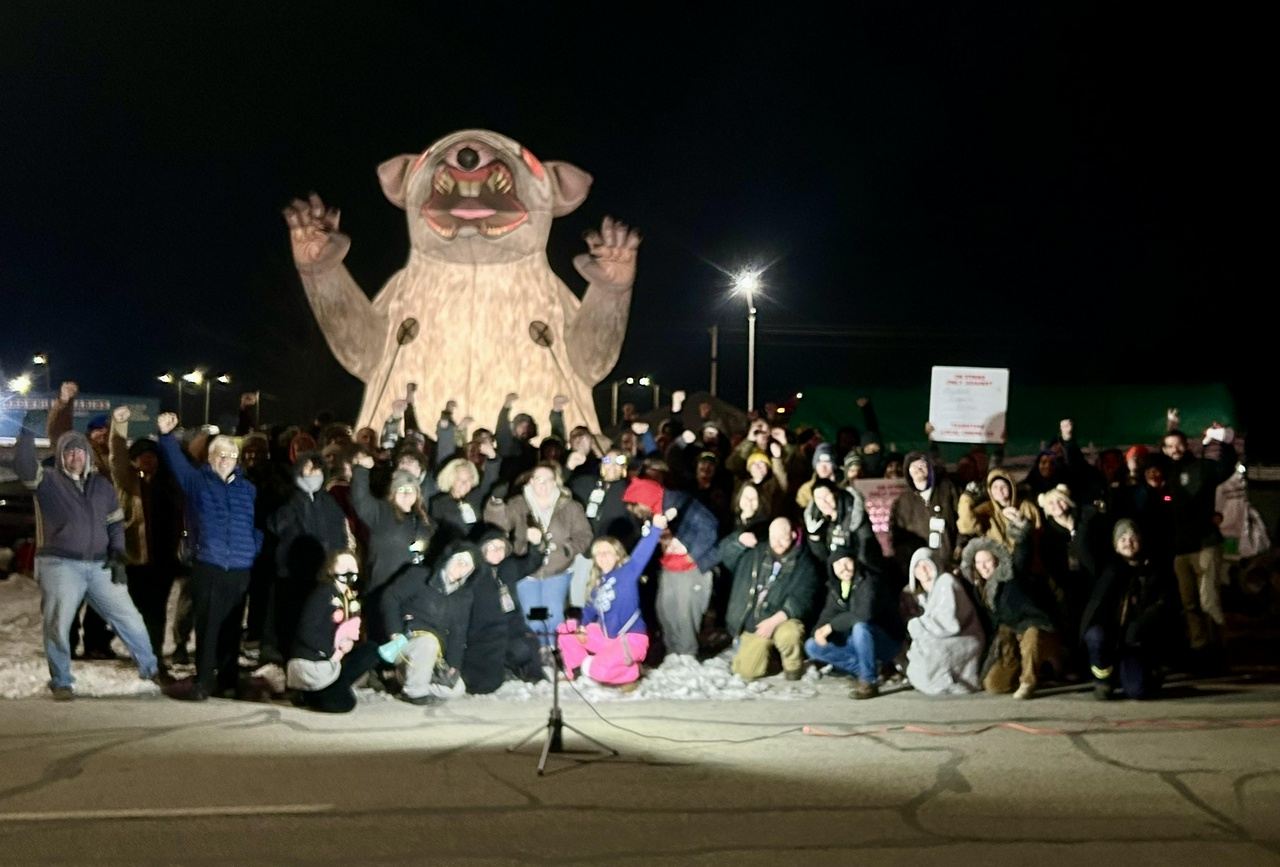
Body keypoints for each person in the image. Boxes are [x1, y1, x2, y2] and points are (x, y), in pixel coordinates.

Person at [15, 417, 161, 700]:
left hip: (100, 565)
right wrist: (25, 436)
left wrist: (117, 553)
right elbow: (23, 465)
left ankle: (151, 668)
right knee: (57, 624)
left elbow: (116, 523)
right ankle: (61, 681)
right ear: (61, 456)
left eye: (80, 451)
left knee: (130, 618)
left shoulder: (102, 487)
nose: (75, 456)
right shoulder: (47, 481)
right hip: (60, 565)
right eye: (69, 451)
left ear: (88, 455)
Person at [156, 412, 262, 700]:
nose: (226, 459)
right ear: (210, 458)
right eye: (220, 454)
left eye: (231, 454)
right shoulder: (197, 482)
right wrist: (167, 437)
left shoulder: (247, 489)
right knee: (209, 625)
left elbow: (254, 524)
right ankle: (203, 680)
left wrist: (253, 547)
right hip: (210, 565)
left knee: (232, 628)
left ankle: (228, 679)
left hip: (239, 567)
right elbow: (176, 464)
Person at [107, 406, 185, 669]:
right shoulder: (127, 482)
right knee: (137, 611)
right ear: (134, 460)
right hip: (135, 559)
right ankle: (143, 652)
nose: (148, 460)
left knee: (158, 611)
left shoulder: (169, 484)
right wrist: (119, 427)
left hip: (163, 560)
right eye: (142, 456)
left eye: (152, 456)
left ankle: (154, 654)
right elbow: (116, 457)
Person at [558, 509, 671, 688]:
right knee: (566, 628)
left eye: (607, 552)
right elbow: (588, 612)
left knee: (597, 671)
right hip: (607, 639)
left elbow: (641, 554)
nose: (602, 557)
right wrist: (581, 628)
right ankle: (577, 670)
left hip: (631, 640)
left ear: (617, 554)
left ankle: (631, 672)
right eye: (598, 554)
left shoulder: (627, 573)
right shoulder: (597, 585)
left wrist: (655, 529)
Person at [484, 462, 592, 636]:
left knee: (554, 614)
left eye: (548, 480)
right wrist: (496, 502)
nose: (543, 484)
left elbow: (584, 535)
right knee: (533, 617)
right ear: (531, 482)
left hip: (558, 571)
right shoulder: (518, 504)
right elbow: (498, 522)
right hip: (527, 570)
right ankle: (540, 656)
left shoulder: (570, 506)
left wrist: (567, 549)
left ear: (555, 482)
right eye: (539, 479)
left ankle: (559, 653)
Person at [620, 477, 722, 661]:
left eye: (636, 508)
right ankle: (672, 654)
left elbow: (710, 527)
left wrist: (690, 550)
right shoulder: (653, 513)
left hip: (692, 567)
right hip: (669, 565)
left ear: (644, 499)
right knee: (665, 610)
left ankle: (687, 655)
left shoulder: (681, 504)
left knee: (685, 613)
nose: (636, 514)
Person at [266, 450, 351, 664]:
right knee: (291, 620)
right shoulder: (288, 498)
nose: (313, 473)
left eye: (317, 469)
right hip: (293, 573)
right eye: (308, 468)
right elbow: (276, 527)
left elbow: (339, 536)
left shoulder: (330, 503)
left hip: (323, 574)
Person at [1080, 519, 1178, 700]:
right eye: (1122, 538)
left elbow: (1165, 605)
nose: (1128, 543)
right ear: (1116, 545)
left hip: (1135, 640)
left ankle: (1149, 672)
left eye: (1133, 538)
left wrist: (1139, 625)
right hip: (1110, 635)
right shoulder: (1107, 569)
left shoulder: (1155, 570)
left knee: (1137, 692)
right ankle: (1103, 681)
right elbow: (1084, 549)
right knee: (1095, 636)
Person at [720, 517, 819, 681]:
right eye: (774, 538)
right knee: (746, 672)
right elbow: (724, 554)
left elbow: (802, 599)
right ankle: (771, 659)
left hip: (781, 619)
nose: (778, 542)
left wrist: (773, 622)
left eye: (783, 537)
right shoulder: (755, 552)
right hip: (754, 621)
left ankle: (793, 666)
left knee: (790, 634)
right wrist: (737, 540)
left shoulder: (804, 561)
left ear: (793, 535)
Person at [960, 532, 1057, 700]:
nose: (983, 567)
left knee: (1032, 636)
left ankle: (1029, 681)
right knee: (994, 685)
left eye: (987, 561)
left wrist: (1022, 531)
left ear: (996, 560)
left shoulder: (1011, 573)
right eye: (978, 563)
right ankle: (1037, 671)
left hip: (1030, 624)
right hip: (1008, 636)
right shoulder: (978, 589)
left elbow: (1022, 553)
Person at [350, 452, 434, 641]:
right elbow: (360, 499)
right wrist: (361, 470)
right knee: (379, 637)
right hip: (381, 587)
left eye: (411, 490)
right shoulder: (380, 512)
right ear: (393, 492)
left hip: (410, 592)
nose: (406, 494)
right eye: (401, 490)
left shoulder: (423, 520)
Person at [286, 550, 383, 713]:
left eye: (352, 566)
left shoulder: (348, 595)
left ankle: (334, 686)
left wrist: (349, 642)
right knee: (345, 704)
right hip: (314, 660)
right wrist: (332, 650)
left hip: (335, 658)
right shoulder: (323, 593)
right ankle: (310, 693)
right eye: (343, 566)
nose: (348, 570)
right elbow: (305, 631)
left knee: (372, 650)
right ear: (330, 569)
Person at [380, 543, 477, 705]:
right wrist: (394, 632)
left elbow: (458, 633)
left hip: (434, 654)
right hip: (404, 643)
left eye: (466, 564)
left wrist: (453, 665)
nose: (461, 565)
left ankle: (406, 679)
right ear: (448, 559)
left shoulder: (464, 596)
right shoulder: (419, 576)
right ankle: (413, 691)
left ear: (470, 572)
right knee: (428, 642)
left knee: (457, 689)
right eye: (458, 559)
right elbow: (390, 597)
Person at [803, 547, 905, 698]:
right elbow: (827, 615)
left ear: (855, 562)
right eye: (837, 564)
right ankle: (868, 669)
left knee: (860, 628)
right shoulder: (836, 588)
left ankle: (869, 682)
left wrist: (831, 627)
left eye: (846, 562)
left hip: (886, 641)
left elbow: (863, 614)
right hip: (857, 643)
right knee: (812, 646)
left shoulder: (869, 581)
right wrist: (819, 631)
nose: (843, 568)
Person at [462, 527, 546, 694]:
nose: (497, 552)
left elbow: (532, 563)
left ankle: (523, 671)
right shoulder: (472, 572)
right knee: (486, 684)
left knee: (529, 644)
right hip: (485, 633)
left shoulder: (509, 566)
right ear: (482, 548)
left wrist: (536, 545)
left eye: (501, 548)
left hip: (512, 625)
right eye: (492, 547)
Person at [901, 548, 985, 695]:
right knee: (917, 657)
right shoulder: (919, 595)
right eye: (918, 566)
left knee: (932, 654)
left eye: (927, 564)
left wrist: (918, 625)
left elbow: (949, 623)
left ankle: (951, 683)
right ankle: (940, 682)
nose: (923, 570)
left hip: (963, 636)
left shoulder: (947, 582)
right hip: (941, 636)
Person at [889, 450, 959, 578]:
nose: (918, 469)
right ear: (908, 472)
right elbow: (897, 538)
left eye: (921, 465)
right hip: (921, 571)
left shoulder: (948, 490)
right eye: (913, 466)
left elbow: (962, 521)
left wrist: (960, 551)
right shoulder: (902, 502)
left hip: (951, 565)